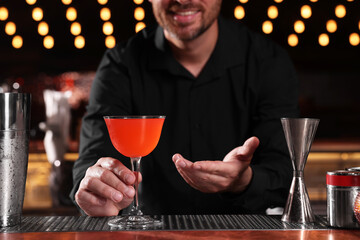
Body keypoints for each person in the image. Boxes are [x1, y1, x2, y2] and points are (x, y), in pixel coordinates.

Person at [70, 0, 299, 216]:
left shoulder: (268, 61)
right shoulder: (120, 64)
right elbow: (93, 159)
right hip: (147, 236)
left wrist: (245, 180)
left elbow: (286, 173)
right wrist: (94, 189)